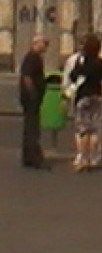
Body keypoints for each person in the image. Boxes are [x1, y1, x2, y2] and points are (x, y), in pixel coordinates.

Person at [67, 33, 102, 172]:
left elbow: (73, 76)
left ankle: (82, 158)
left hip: (83, 96)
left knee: (82, 129)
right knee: (94, 129)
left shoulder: (83, 62)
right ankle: (92, 159)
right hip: (96, 96)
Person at [18, 34, 49, 169]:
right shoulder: (32, 57)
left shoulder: (33, 57)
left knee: (30, 126)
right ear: (36, 43)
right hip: (31, 98)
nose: (46, 46)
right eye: (45, 43)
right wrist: (33, 93)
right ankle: (34, 157)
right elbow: (27, 76)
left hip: (31, 97)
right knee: (32, 128)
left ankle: (28, 157)